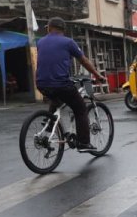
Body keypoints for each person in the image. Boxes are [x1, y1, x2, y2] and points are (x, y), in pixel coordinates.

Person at [35, 17, 104, 151]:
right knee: (80, 109)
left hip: (41, 83)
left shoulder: (41, 42)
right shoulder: (68, 42)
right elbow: (83, 61)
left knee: (56, 99)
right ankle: (84, 143)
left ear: (49, 28)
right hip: (61, 83)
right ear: (63, 30)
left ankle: (50, 123)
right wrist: (98, 75)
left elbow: (46, 63)